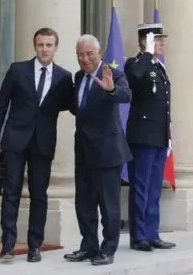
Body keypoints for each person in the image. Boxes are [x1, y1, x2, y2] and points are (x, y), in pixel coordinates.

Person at [0, 28, 73, 262]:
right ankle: (7, 245)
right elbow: (1, 105)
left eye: (49, 45)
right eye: (40, 45)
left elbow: (74, 105)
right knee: (11, 193)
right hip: (15, 140)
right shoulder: (17, 70)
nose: (44, 49)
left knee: (39, 195)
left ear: (55, 47)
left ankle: (35, 246)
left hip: (43, 143)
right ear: (34, 46)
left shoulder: (64, 77)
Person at [63, 34, 132, 266]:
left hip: (107, 152)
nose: (84, 59)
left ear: (99, 53)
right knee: (84, 204)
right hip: (83, 150)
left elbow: (125, 95)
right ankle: (88, 246)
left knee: (108, 205)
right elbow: (78, 108)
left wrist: (111, 89)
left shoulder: (112, 73)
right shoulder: (78, 77)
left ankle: (108, 249)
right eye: (80, 55)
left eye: (89, 54)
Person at [124, 23, 176, 251]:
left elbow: (163, 107)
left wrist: (168, 136)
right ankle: (139, 236)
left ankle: (152, 232)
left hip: (158, 137)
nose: (163, 43)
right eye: (158, 39)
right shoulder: (135, 63)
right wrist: (146, 52)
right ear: (146, 41)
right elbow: (135, 76)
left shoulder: (159, 68)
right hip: (142, 137)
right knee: (141, 187)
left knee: (155, 188)